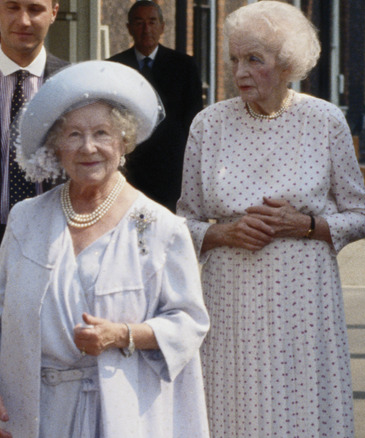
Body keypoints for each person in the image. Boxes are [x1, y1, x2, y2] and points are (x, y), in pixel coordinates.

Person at [176, 1, 365, 436]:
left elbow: (360, 217)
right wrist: (223, 233)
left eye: (254, 59)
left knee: (299, 412)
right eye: (234, 59)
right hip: (230, 300)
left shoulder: (324, 121)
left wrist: (302, 226)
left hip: (303, 301)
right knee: (234, 410)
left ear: (286, 64)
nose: (240, 71)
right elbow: (182, 224)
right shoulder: (208, 125)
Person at [0, 60, 210, 437]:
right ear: (56, 145)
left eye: (102, 133)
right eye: (74, 135)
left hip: (122, 412)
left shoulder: (161, 228)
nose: (88, 147)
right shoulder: (25, 219)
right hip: (34, 412)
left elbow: (189, 323)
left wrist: (122, 334)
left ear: (124, 141)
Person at [109, 0, 203, 211]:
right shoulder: (114, 66)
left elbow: (193, 120)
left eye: (152, 22)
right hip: (129, 168)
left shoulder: (184, 66)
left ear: (162, 26)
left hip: (171, 170)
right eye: (139, 22)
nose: (146, 29)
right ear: (129, 28)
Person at [0, 0, 68, 241]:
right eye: (12, 7)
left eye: (35, 9)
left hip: (53, 237)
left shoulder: (73, 87)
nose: (23, 20)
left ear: (54, 12)